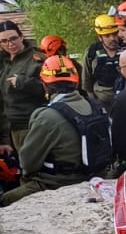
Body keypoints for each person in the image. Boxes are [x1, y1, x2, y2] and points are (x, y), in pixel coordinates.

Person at [0, 55, 112, 205]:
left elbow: (27, 164)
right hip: (97, 176)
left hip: (57, 183)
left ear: (45, 85)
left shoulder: (46, 116)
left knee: (5, 200)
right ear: (76, 81)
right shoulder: (97, 107)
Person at [0, 20, 45, 161]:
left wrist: (23, 82)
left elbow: (49, 90)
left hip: (29, 125)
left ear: (21, 37)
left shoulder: (37, 60)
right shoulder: (3, 61)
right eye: (4, 41)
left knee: (30, 166)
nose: (10, 44)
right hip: (6, 128)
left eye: (13, 39)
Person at [82, 15, 123, 110]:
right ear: (100, 37)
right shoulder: (92, 52)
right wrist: (96, 105)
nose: (112, 38)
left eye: (115, 34)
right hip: (102, 102)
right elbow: (87, 81)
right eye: (107, 36)